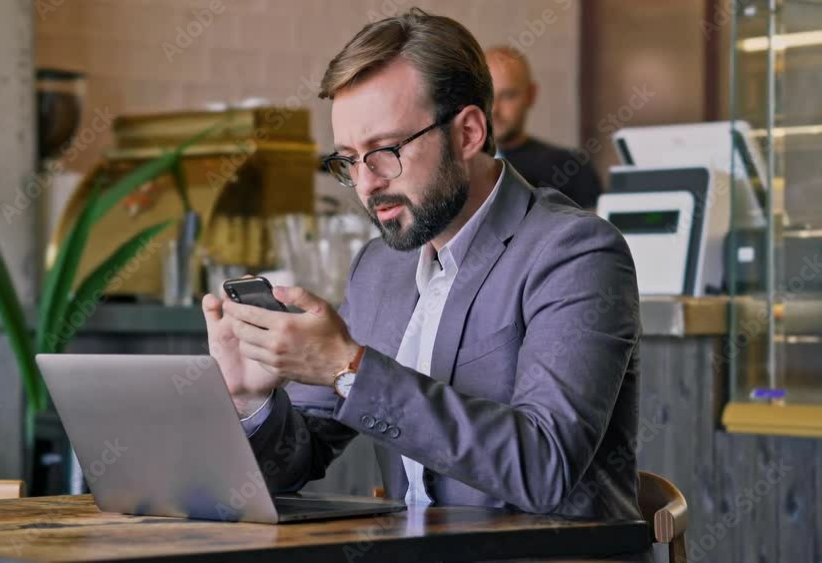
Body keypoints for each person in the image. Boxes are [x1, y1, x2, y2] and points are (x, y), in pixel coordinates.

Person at [201, 8, 643, 526]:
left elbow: (543, 469)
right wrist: (251, 399)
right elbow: (297, 459)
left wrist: (348, 369)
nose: (366, 185)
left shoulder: (576, 253)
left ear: (469, 132)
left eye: (385, 151)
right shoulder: (378, 268)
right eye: (348, 159)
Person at [484, 45, 603, 210]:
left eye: (508, 95)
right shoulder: (461, 170)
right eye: (487, 96)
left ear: (531, 95)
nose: (494, 109)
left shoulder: (574, 168)